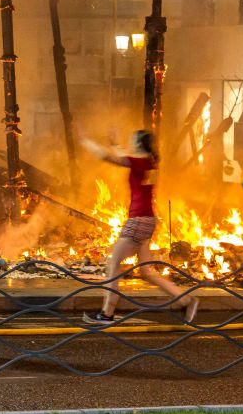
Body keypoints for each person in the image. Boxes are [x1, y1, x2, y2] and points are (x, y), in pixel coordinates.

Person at [76, 127, 199, 325]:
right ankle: (186, 300)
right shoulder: (149, 162)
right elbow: (124, 156)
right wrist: (115, 144)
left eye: (133, 140)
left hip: (137, 220)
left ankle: (107, 313)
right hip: (149, 219)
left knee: (113, 264)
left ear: (139, 144)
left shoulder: (139, 162)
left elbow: (106, 157)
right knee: (147, 271)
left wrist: (85, 141)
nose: (130, 143)